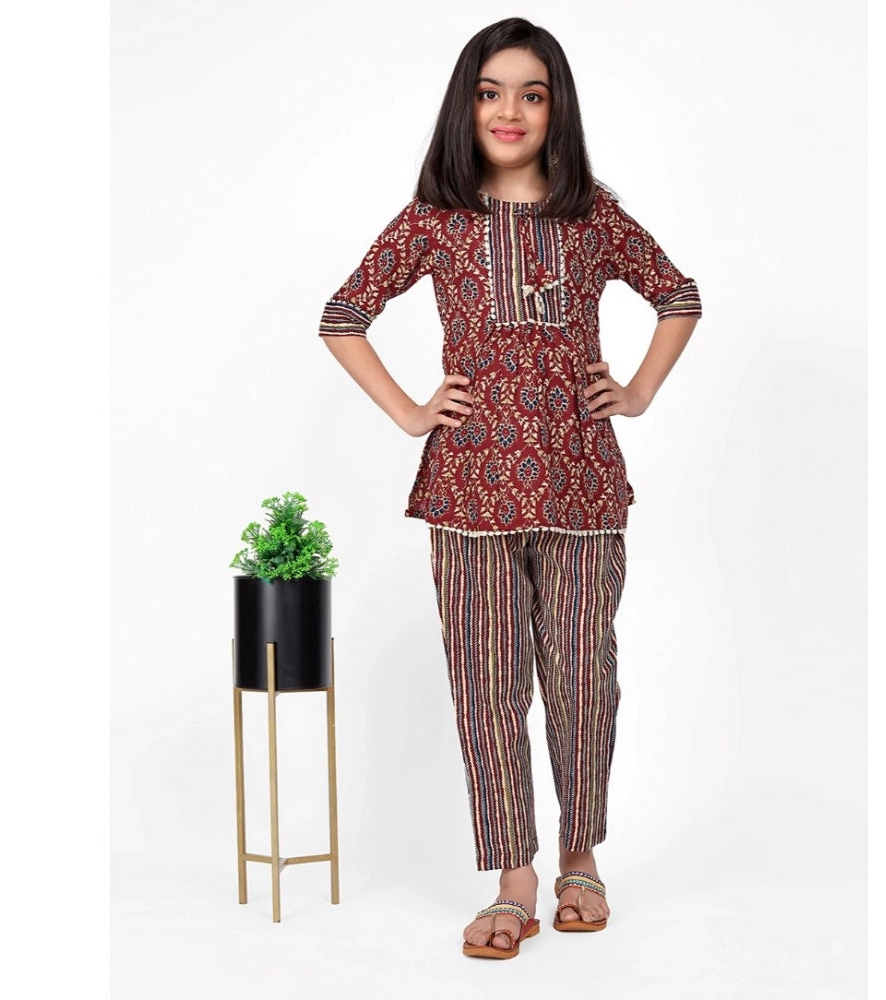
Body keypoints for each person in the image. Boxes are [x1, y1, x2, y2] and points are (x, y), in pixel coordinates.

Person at [319, 16, 701, 959]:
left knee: (583, 680)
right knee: (487, 690)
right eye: (491, 92)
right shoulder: (436, 219)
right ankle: (513, 879)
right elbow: (343, 315)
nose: (511, 111)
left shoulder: (591, 214)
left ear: (557, 108)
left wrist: (638, 390)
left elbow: (678, 295)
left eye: (533, 93)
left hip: (581, 487)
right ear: (467, 104)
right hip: (468, 492)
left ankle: (581, 859)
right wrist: (412, 411)